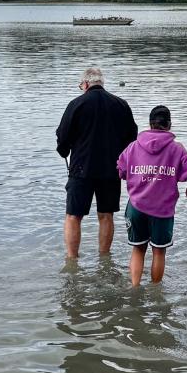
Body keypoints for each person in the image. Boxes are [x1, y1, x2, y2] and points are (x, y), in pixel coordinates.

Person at [55, 66, 138, 258]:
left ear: (85, 84)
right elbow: (132, 138)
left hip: (81, 168)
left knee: (74, 215)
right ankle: (104, 257)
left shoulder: (76, 104)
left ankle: (72, 259)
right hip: (111, 169)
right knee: (106, 215)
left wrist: (63, 151)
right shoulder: (121, 105)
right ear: (102, 83)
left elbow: (63, 136)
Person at [116, 105, 187, 287]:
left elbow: (121, 169)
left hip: (136, 206)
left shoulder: (133, 147)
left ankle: (135, 288)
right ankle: (156, 293)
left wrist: (134, 176)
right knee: (158, 252)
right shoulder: (176, 149)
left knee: (138, 250)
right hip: (162, 211)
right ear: (169, 125)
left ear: (149, 124)